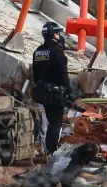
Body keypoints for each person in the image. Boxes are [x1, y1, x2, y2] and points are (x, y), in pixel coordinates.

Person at [32, 22, 85, 155]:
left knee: (47, 121)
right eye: (58, 33)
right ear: (55, 34)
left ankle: (44, 149)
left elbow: (36, 74)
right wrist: (70, 94)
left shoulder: (38, 51)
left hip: (41, 93)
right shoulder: (57, 51)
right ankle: (51, 152)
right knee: (55, 123)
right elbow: (63, 74)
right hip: (55, 94)